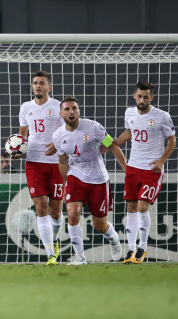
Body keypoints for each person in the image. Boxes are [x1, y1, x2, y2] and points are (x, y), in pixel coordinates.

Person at [53, 96, 127, 265]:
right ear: (61, 114)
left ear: (78, 111)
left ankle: (114, 238)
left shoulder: (93, 127)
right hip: (75, 178)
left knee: (99, 225)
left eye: (74, 108)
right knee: (72, 213)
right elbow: (62, 161)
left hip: (98, 180)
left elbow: (113, 145)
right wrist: (66, 184)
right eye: (67, 109)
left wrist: (127, 169)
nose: (71, 111)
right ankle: (80, 257)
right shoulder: (58, 136)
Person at [114, 81, 176, 264]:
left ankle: (143, 247)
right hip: (133, 167)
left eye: (146, 97)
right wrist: (114, 143)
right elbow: (129, 132)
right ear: (135, 96)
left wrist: (161, 160)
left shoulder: (162, 116)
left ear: (152, 98)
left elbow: (172, 141)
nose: (142, 100)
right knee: (131, 208)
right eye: (139, 96)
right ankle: (131, 250)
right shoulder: (129, 112)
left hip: (152, 169)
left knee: (142, 207)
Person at [14, 71, 65, 265]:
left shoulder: (58, 107)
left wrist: (57, 145)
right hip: (34, 163)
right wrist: (18, 150)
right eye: (35, 83)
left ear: (49, 87)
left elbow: (66, 132)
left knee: (56, 212)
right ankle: (50, 254)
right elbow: (21, 135)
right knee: (41, 207)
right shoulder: (26, 107)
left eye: (42, 83)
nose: (38, 86)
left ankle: (55, 237)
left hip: (57, 164)